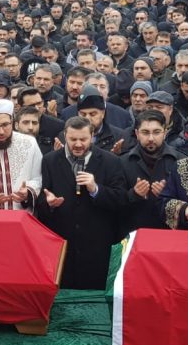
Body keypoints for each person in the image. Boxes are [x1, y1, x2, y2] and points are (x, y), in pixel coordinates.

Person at [37, 116, 129, 290]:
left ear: (92, 136)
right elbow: (42, 199)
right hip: (62, 247)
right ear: (65, 136)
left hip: (97, 247)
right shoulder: (49, 161)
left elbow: (121, 199)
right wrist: (49, 203)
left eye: (83, 139)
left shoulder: (111, 161)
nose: (78, 144)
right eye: (73, 139)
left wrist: (96, 189)